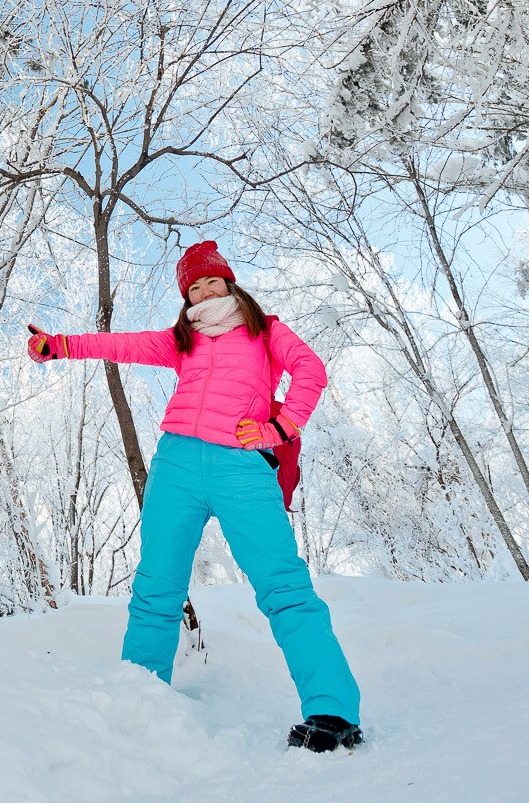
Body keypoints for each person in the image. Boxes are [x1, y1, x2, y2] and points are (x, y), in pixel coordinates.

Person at [25, 240, 364, 752]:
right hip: (177, 465)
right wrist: (62, 345)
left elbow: (311, 372)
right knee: (156, 587)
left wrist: (281, 426)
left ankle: (332, 711)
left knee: (283, 586)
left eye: (210, 281)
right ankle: (139, 699)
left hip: (242, 468)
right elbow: (124, 345)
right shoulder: (182, 340)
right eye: (193, 286)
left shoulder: (264, 330)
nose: (203, 291)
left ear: (228, 282)